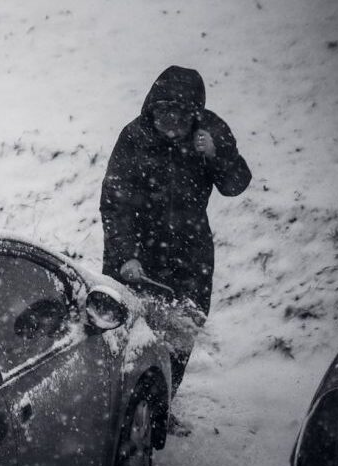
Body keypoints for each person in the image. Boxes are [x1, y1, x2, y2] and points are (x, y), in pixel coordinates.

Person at [100, 65, 251, 393]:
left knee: (179, 335)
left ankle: (162, 404)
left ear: (194, 117)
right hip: (136, 251)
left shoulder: (210, 132)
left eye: (179, 118)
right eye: (163, 116)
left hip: (189, 255)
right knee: (123, 331)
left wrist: (216, 155)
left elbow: (236, 184)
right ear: (151, 110)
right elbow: (115, 203)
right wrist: (126, 255)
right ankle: (116, 399)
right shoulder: (134, 136)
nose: (170, 126)